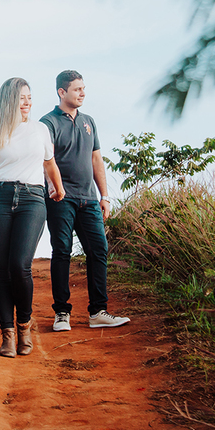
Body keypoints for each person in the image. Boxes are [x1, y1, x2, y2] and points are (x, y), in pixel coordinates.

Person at [0, 77, 66, 357]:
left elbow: (50, 164)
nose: (28, 103)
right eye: (22, 98)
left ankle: (24, 325)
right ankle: (8, 335)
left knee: (19, 265)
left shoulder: (40, 130)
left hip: (32, 199)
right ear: (9, 101)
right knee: (2, 270)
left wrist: (59, 189)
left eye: (29, 97)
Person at [41, 70, 130, 331]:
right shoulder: (48, 123)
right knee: (62, 251)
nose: (82, 93)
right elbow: (47, 161)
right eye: (77, 89)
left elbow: (96, 160)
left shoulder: (89, 121)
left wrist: (104, 196)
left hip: (89, 199)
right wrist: (55, 189)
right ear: (62, 92)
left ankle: (98, 312)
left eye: (83, 89)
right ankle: (61, 314)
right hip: (61, 198)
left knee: (98, 250)